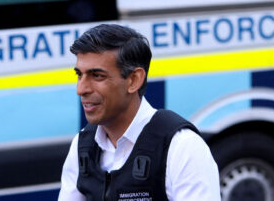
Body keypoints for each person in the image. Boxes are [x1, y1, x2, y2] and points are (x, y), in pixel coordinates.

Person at [58, 24, 221, 200]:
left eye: (97, 76)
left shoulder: (182, 147)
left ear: (134, 80)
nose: (81, 89)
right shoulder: (82, 145)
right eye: (79, 75)